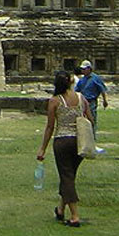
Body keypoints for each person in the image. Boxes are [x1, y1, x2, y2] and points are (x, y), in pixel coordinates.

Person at [37, 70, 93, 227]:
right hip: (79, 141)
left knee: (66, 177)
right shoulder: (82, 98)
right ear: (70, 82)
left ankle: (75, 216)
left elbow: (50, 127)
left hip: (62, 141)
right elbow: (90, 120)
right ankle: (61, 209)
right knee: (69, 176)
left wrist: (42, 148)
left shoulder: (55, 101)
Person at [75, 60, 108, 132]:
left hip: (91, 101)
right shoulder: (82, 80)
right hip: (83, 102)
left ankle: (92, 136)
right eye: (82, 69)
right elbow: (76, 90)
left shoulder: (96, 78)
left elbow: (102, 89)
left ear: (89, 69)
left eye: (84, 69)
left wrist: (104, 100)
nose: (83, 71)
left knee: (92, 119)